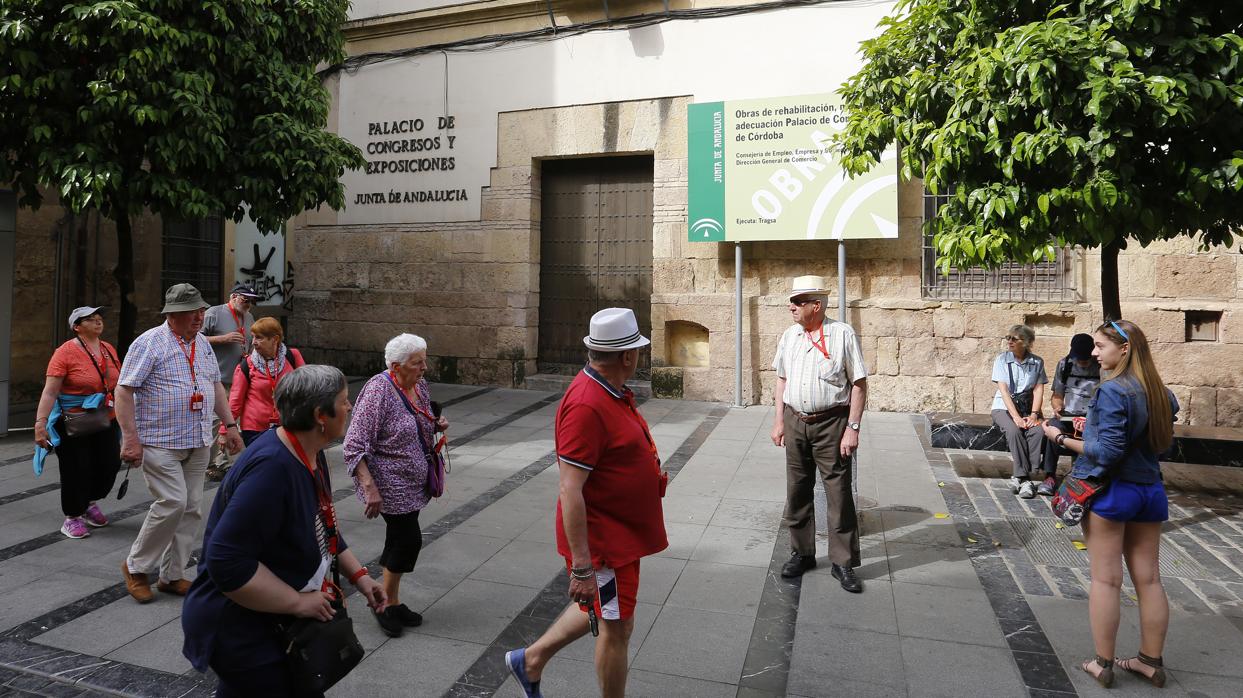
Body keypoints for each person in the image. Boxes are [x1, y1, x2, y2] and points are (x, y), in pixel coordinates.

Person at [182, 365, 387, 697]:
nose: (349, 408)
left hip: (268, 622)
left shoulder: (308, 449)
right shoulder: (272, 469)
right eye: (344, 400)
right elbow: (225, 560)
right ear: (321, 414)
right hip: (242, 628)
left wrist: (360, 577)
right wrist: (296, 603)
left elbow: (322, 522)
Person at [504, 307, 668, 698]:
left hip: (621, 534)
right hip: (605, 543)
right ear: (628, 356)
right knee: (617, 628)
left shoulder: (607, 391)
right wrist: (582, 568)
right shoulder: (586, 404)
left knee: (608, 609)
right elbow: (569, 488)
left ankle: (530, 660)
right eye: (638, 351)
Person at [1041, 320, 1177, 689]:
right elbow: (1162, 444)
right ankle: (1150, 661)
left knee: (1106, 579)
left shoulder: (1113, 391)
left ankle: (1102, 663)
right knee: (1149, 580)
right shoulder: (1160, 392)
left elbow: (1108, 452)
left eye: (1101, 347)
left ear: (1125, 349)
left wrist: (1060, 438)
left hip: (1112, 492)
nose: (1095, 354)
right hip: (1150, 491)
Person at [116, 283, 244, 604]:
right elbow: (124, 390)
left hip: (199, 438)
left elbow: (215, 386)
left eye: (201, 310)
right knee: (172, 502)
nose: (200, 316)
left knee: (192, 509)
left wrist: (229, 425)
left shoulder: (201, 343)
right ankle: (136, 567)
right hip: (160, 440)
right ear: (173, 315)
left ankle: (172, 575)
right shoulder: (149, 343)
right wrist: (130, 438)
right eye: (192, 311)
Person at [343, 333, 448, 638]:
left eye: (424, 360)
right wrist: (369, 487)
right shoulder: (378, 391)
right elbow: (354, 444)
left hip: (414, 480)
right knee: (408, 539)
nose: (424, 367)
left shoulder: (418, 384)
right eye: (417, 363)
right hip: (389, 482)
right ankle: (383, 604)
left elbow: (423, 415)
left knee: (400, 538)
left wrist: (436, 423)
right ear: (395, 365)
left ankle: (392, 599)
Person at [769, 275, 868, 591]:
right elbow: (781, 380)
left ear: (817, 305)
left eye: (798, 302)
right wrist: (779, 421)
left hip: (832, 424)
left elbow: (859, 383)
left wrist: (852, 428)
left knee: (838, 493)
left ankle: (842, 563)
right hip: (796, 420)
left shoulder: (842, 334)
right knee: (797, 489)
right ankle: (802, 553)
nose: (792, 307)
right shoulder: (790, 336)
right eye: (792, 301)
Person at [32, 306, 123, 539]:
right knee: (77, 468)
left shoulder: (108, 348)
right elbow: (50, 392)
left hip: (106, 416)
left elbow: (118, 381)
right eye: (91, 320)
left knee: (109, 464)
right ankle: (73, 515)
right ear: (77, 327)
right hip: (73, 419)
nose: (97, 322)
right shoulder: (64, 353)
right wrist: (40, 423)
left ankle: (90, 501)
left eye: (99, 318)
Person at [203, 282, 261, 480]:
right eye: (246, 300)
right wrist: (222, 339)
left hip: (241, 378)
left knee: (231, 423)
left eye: (252, 302)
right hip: (218, 378)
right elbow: (193, 339)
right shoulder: (214, 313)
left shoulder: (249, 317)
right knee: (214, 422)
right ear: (233, 296)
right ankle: (208, 463)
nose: (249, 305)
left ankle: (223, 463)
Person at [226, 317, 305, 446]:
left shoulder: (292, 356)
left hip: (289, 425)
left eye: (259, 338)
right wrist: (226, 429)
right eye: (253, 337)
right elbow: (235, 401)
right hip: (255, 429)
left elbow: (308, 388)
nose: (254, 342)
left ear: (275, 339)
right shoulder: (247, 365)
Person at [1038, 333, 1101, 493]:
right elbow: (1057, 395)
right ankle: (1049, 475)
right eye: (1079, 358)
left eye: (1085, 358)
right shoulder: (1065, 364)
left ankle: (1081, 475)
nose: (1083, 362)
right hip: (1069, 415)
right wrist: (1057, 407)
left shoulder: (1101, 365)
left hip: (1093, 416)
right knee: (1053, 427)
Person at [990, 324, 1048, 499]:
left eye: (1014, 338)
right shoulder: (1002, 360)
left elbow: (1038, 389)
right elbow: (1004, 390)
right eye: (1008, 338)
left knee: (1038, 430)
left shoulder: (1037, 362)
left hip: (1027, 406)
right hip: (1003, 407)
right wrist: (1015, 417)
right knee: (1014, 431)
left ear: (1027, 342)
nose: (1010, 341)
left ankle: (1019, 476)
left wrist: (1034, 415)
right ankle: (1025, 478)